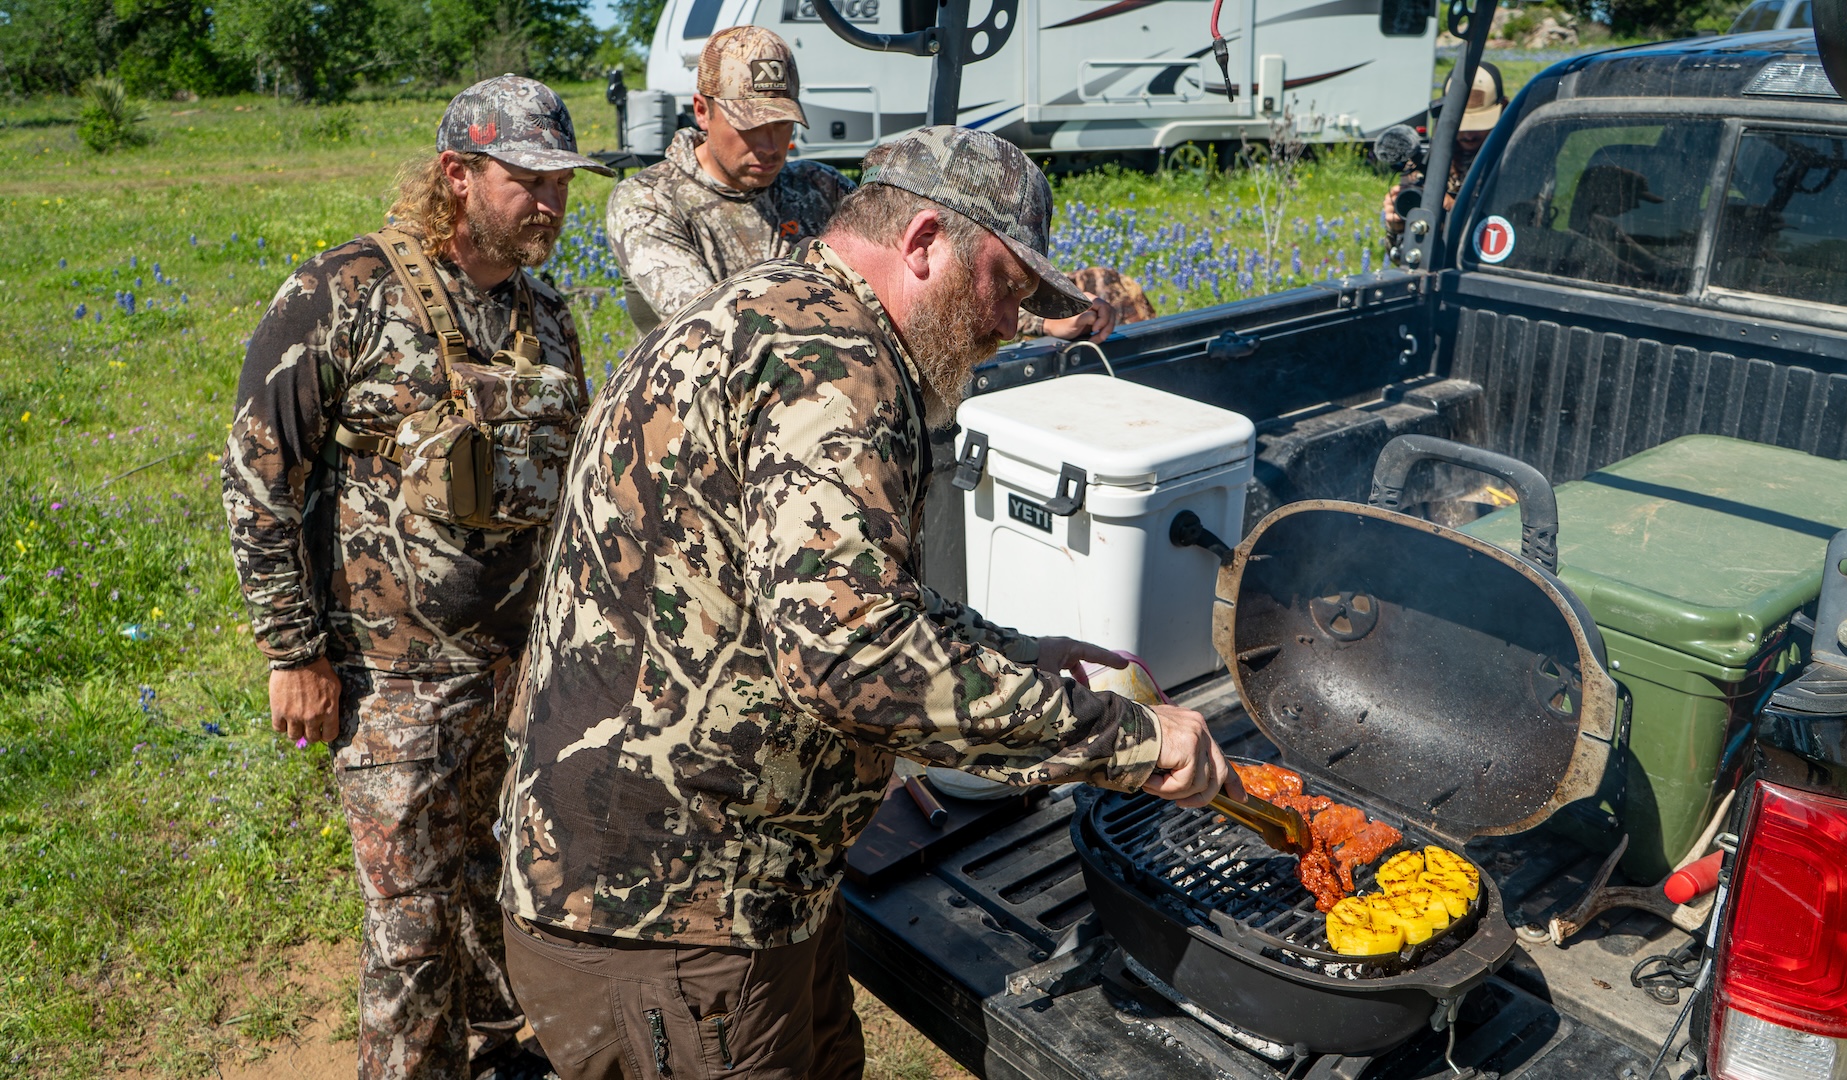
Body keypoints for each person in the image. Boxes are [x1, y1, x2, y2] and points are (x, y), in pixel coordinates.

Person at [496, 126, 1237, 1080]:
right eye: (1005, 285)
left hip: (750, 882)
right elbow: (852, 656)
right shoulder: (829, 361)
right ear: (924, 240)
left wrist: (1015, 655)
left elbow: (836, 596)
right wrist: (1133, 742)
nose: (1011, 322)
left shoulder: (781, 308)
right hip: (671, 911)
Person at [221, 74, 612, 1080]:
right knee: (409, 930)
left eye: (561, 182)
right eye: (526, 179)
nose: (551, 203)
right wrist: (293, 651)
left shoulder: (549, 319)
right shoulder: (344, 291)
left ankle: (494, 1055)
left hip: (514, 677)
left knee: (493, 891)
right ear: (456, 175)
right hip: (388, 684)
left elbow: (570, 494)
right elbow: (261, 473)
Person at [605, 25, 1116, 342]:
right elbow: (713, 326)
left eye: (781, 125)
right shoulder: (650, 201)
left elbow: (920, 280)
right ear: (702, 110)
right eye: (749, 126)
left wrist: (1036, 319)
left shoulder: (818, 186)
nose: (768, 145)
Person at [1383, 61, 1506, 236]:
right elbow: (1402, 255)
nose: (1469, 135)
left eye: (1479, 125)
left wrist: (1451, 210)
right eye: (1461, 127)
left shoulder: (1514, 161)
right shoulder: (1427, 163)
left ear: (1504, 109)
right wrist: (1398, 228)